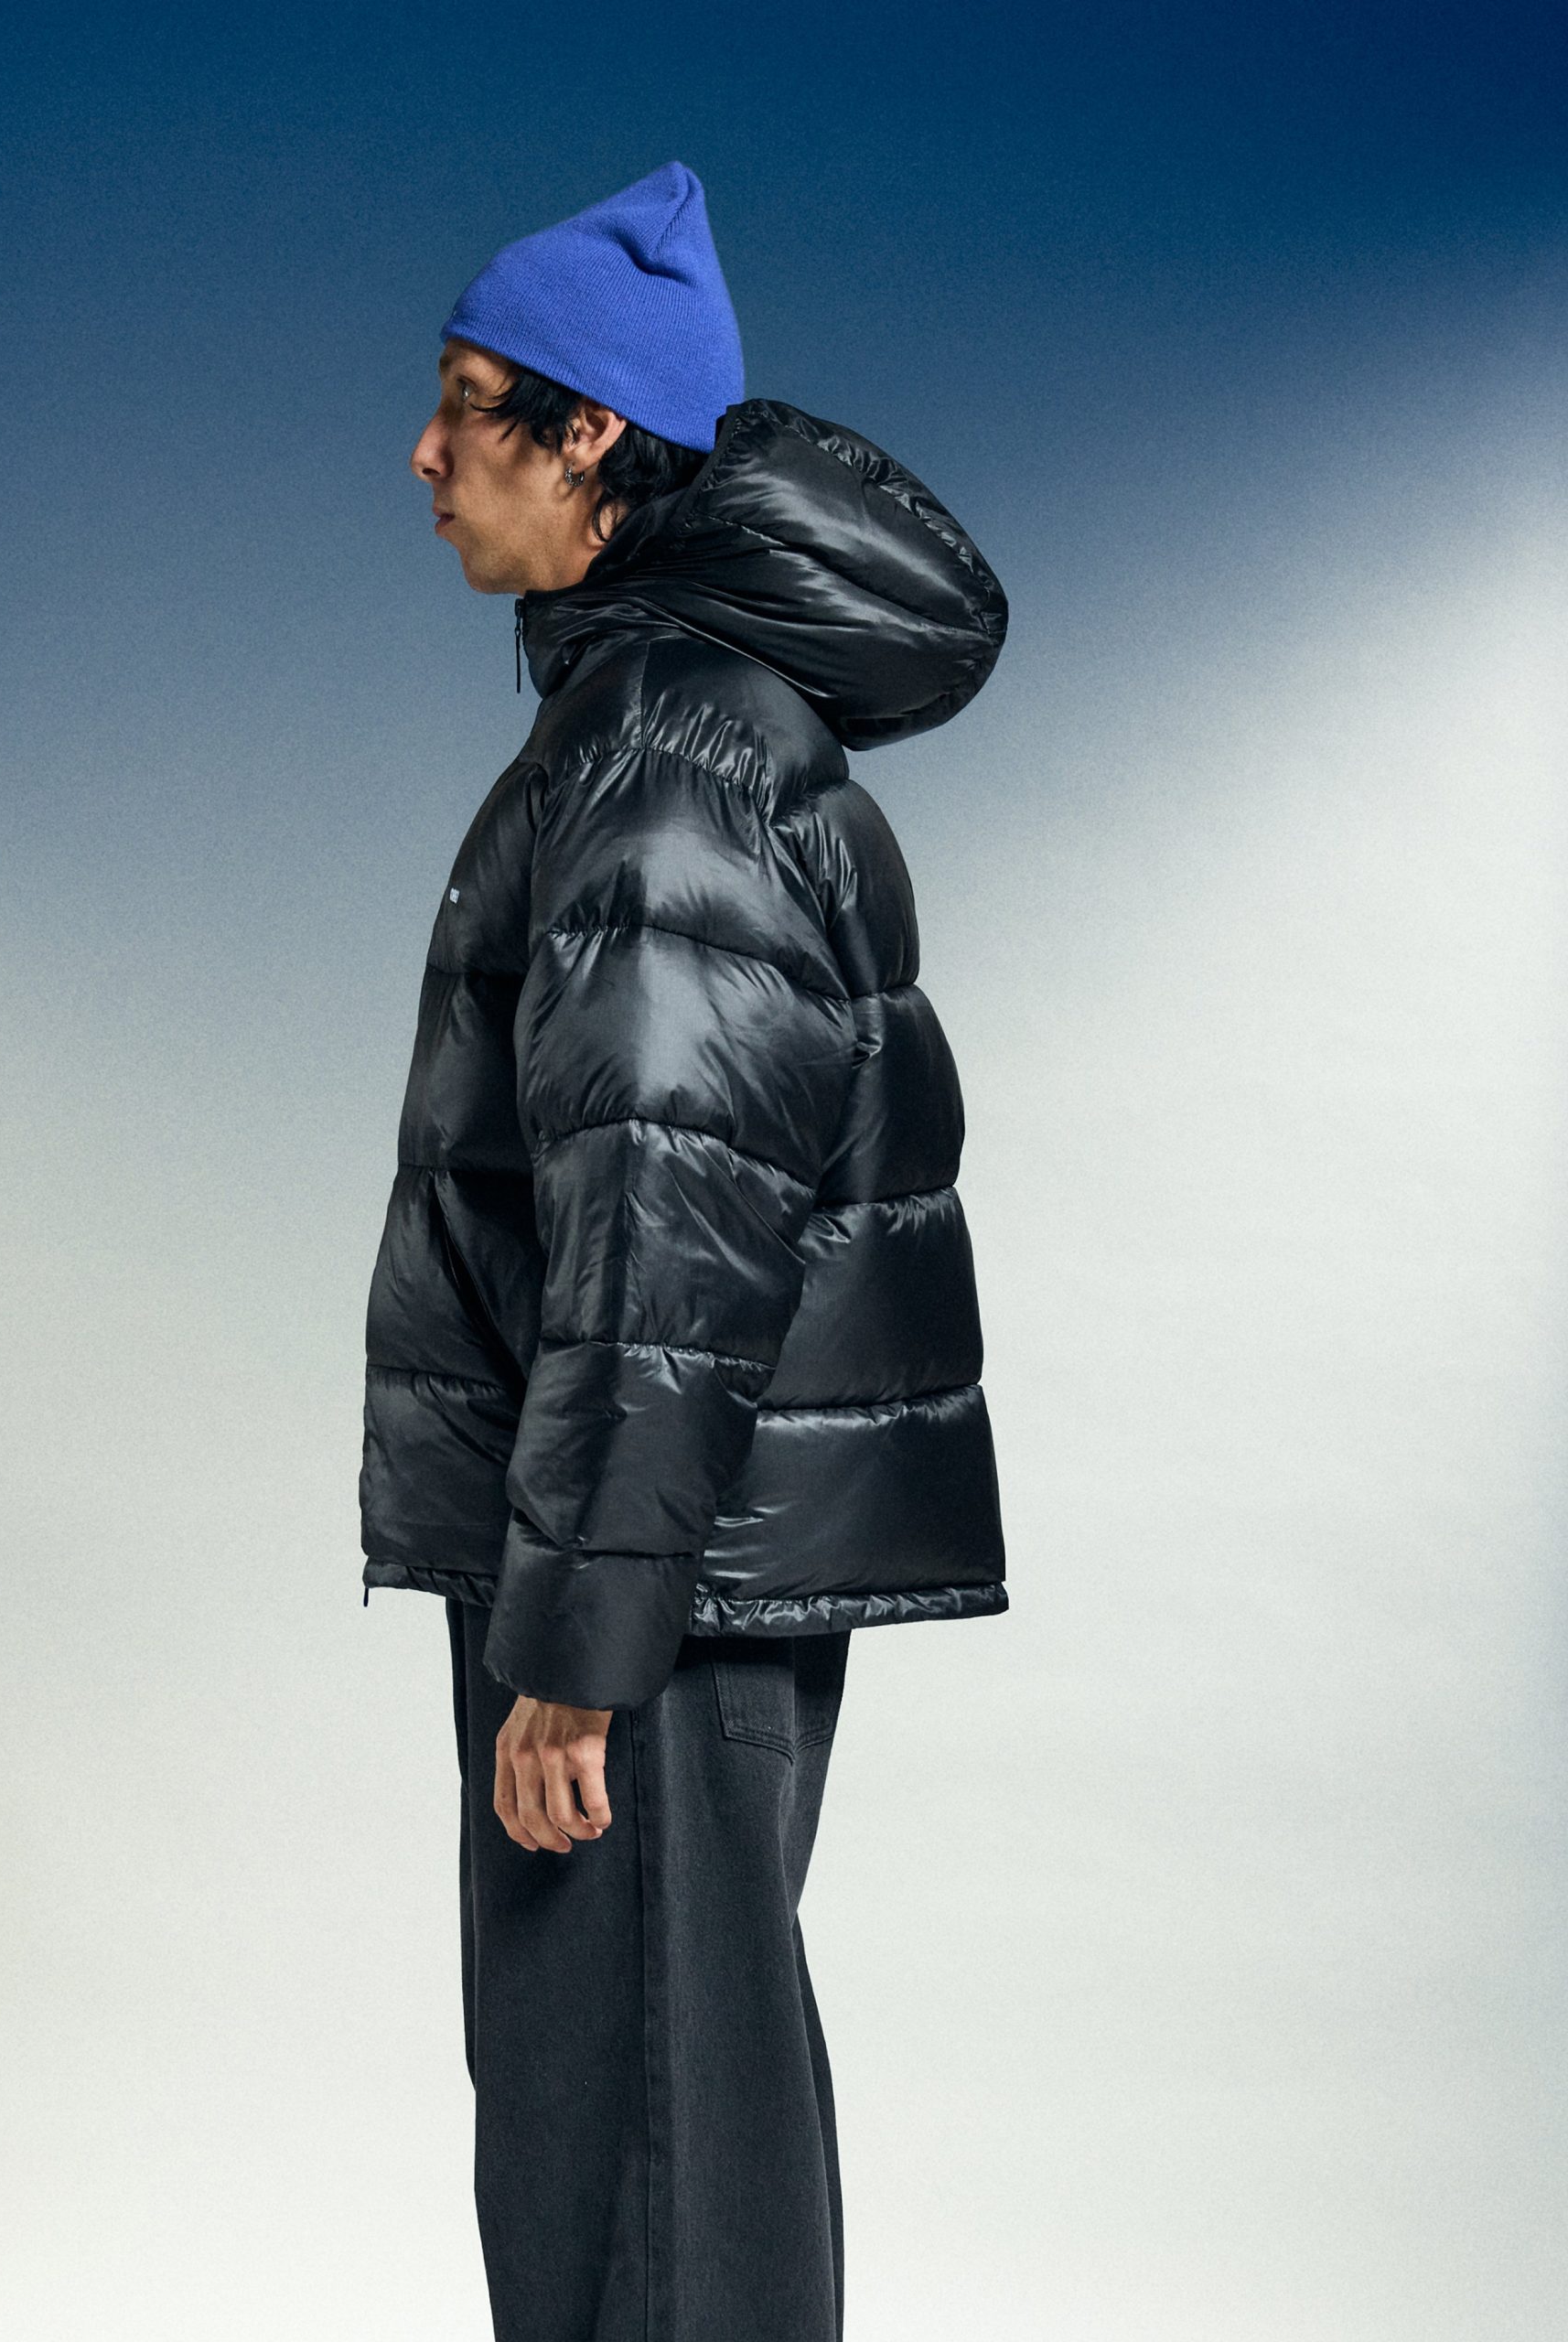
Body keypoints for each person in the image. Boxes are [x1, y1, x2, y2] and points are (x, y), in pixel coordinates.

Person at [358, 158, 1008, 2342]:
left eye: (469, 407)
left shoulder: (661, 761)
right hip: (668, 1564)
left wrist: (580, 1639)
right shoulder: (670, 723)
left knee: (631, 2146)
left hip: (653, 1586)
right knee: (656, 2127)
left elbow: (665, 1236)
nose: (424, 455)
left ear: (589, 442)